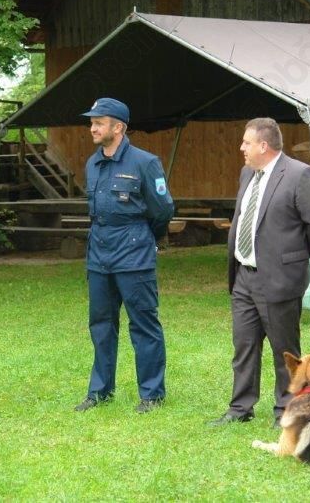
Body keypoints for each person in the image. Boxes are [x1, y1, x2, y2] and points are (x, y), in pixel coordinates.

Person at [209, 117, 310, 427]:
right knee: (244, 346)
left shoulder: (299, 174)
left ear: (263, 146)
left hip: (280, 278)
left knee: (284, 349)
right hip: (244, 276)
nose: (242, 148)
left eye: (246, 142)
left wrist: (295, 253)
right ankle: (240, 408)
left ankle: (287, 410)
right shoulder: (247, 173)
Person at [74, 97, 175, 414]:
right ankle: (100, 391)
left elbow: (163, 210)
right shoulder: (93, 164)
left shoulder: (145, 163)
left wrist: (144, 238)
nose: (92, 128)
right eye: (92, 123)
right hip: (99, 254)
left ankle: (152, 394)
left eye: (99, 123)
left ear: (118, 127)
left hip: (133, 254)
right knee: (101, 325)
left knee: (143, 324)